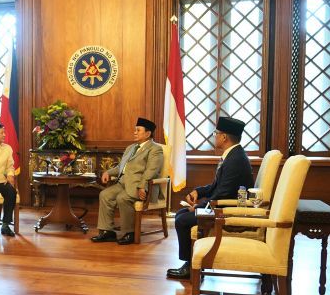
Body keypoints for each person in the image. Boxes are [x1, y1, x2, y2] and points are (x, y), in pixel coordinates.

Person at [166, 116, 254, 280]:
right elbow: (216, 186)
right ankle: (191, 263)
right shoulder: (233, 154)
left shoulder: (235, 159)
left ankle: (191, 267)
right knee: (181, 214)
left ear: (224, 137)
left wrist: (200, 207)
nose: (214, 136)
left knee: (182, 219)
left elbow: (223, 194)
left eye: (216, 133)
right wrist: (198, 192)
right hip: (221, 205)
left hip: (228, 211)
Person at [91, 117, 165, 245]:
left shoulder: (155, 149)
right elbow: (121, 167)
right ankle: (108, 232)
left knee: (122, 198)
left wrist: (143, 186)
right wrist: (108, 172)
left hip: (140, 186)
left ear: (148, 134)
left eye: (138, 130)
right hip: (123, 183)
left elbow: (151, 170)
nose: (135, 132)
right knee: (105, 195)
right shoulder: (131, 147)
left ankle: (130, 233)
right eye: (135, 130)